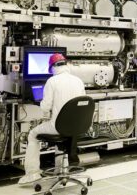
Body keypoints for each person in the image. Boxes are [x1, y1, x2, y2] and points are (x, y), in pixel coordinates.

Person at [18, 53, 86, 185]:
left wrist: (40, 102)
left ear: (53, 68)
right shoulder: (78, 80)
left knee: (32, 134)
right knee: (63, 133)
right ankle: (60, 170)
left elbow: (45, 107)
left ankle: (32, 174)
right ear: (66, 65)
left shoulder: (52, 81)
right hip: (77, 127)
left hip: (58, 127)